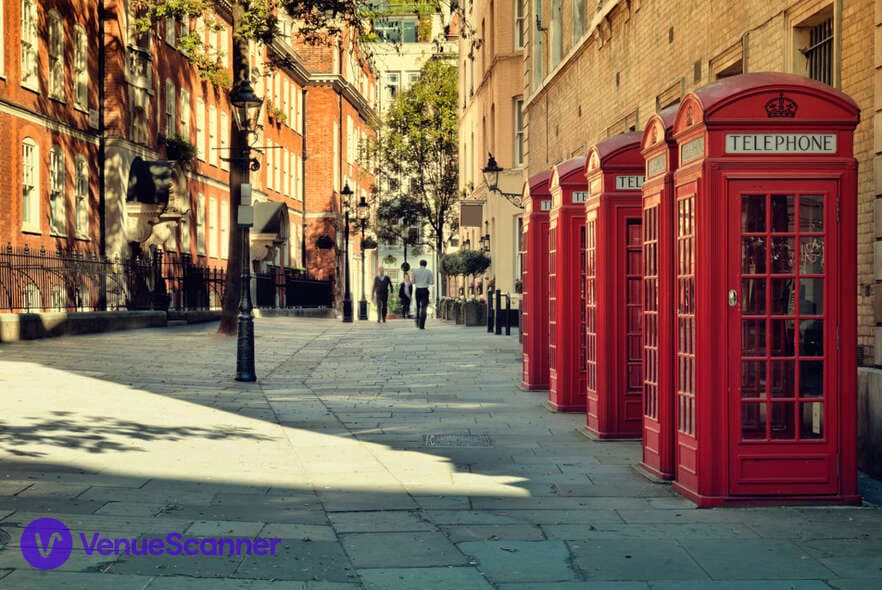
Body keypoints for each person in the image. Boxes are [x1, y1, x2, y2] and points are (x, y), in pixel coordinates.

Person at [411, 259, 433, 330]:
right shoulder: (428, 272)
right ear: (425, 265)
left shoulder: (415, 271)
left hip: (418, 290)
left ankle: (417, 320)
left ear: (420, 264)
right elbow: (431, 282)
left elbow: (413, 282)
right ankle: (422, 324)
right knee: (424, 307)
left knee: (418, 306)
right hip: (425, 290)